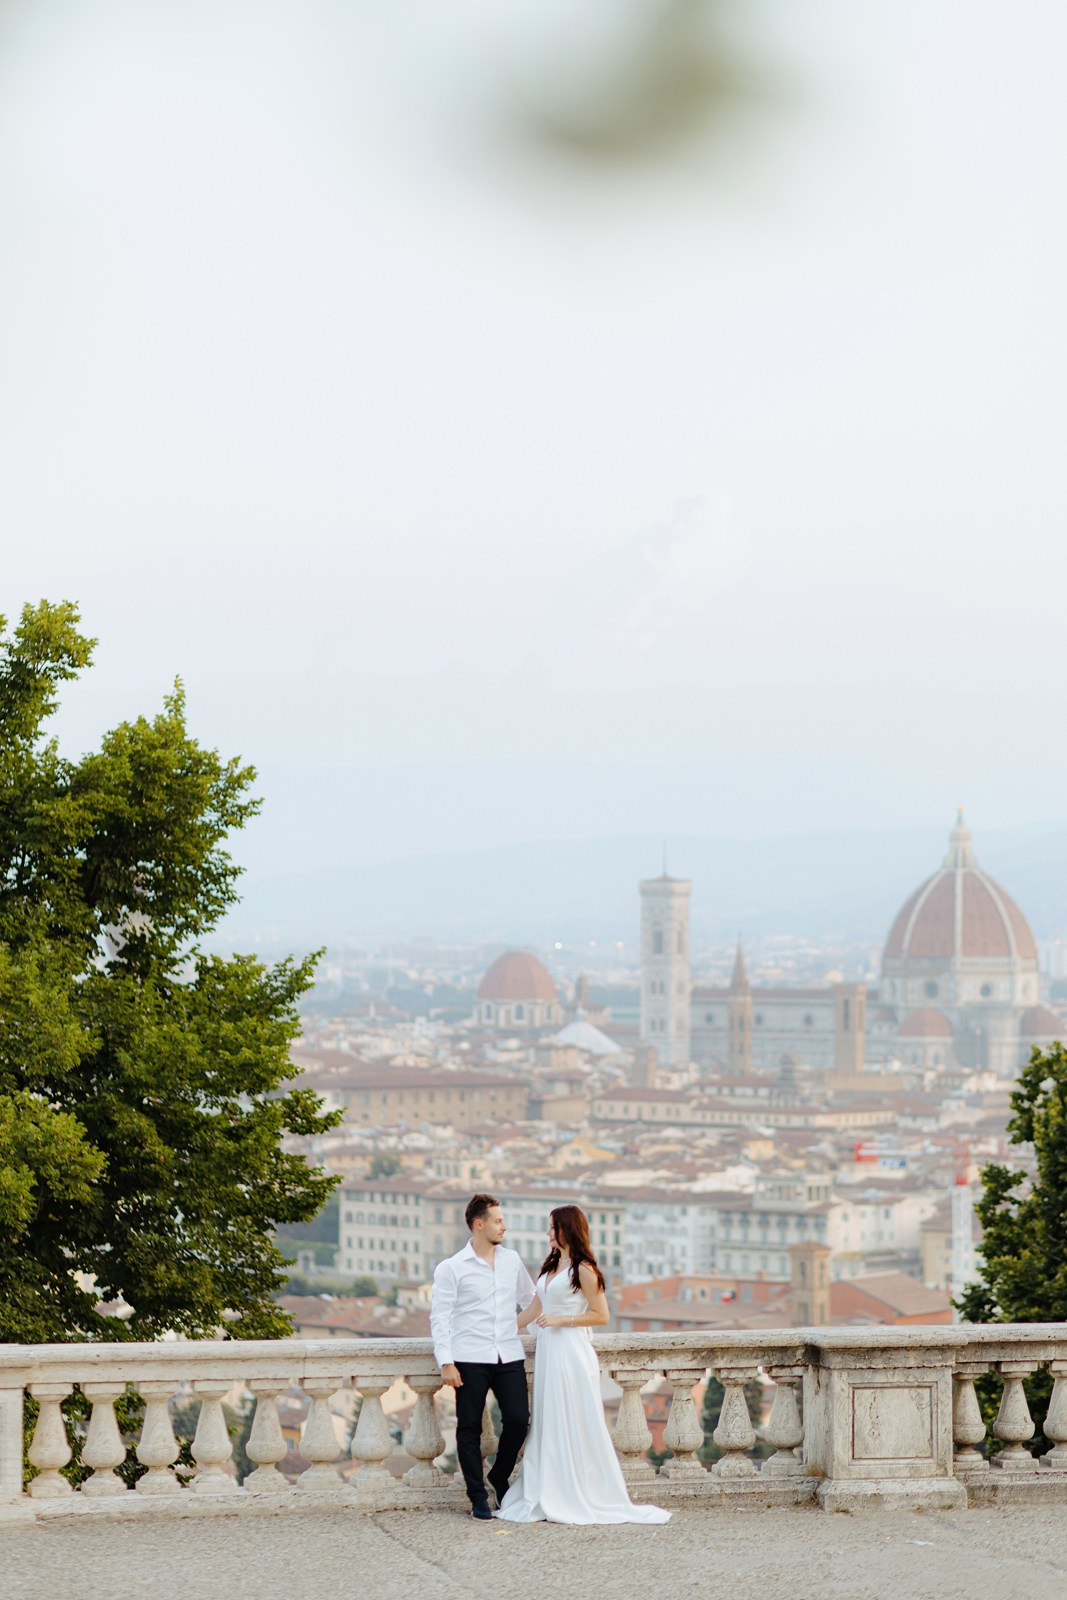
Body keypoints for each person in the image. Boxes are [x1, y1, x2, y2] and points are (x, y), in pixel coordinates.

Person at [496, 1204, 671, 1526]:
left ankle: (577, 1490)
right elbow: (535, 1307)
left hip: (571, 1353)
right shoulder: (551, 1266)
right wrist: (500, 1329)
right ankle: (548, 1485)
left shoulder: (585, 1269)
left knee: (572, 1416)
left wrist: (564, 1319)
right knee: (549, 1417)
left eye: (552, 1228)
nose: (548, 1233)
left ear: (566, 1229)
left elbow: (601, 1315)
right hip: (550, 1351)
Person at [430, 1193, 535, 1520]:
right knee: (469, 1428)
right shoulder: (451, 1268)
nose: (505, 1226)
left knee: (519, 1420)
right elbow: (440, 1316)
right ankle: (477, 1496)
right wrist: (446, 1362)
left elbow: (531, 1298)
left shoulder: (511, 1260)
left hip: (508, 1355)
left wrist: (524, 1326)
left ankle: (499, 1476)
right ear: (479, 1224)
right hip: (469, 1358)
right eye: (498, 1220)